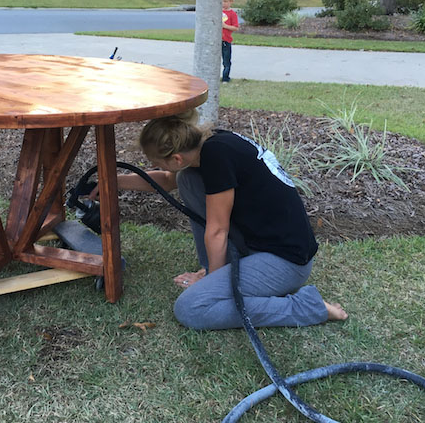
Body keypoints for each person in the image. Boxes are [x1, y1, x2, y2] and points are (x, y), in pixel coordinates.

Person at [107, 109, 347, 330]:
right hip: (262, 245)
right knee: (186, 180)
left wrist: (211, 282)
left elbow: (217, 231)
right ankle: (215, 270)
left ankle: (308, 307)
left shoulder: (217, 159)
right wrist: (110, 182)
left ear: (177, 158)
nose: (155, 167)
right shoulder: (214, 144)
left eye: (157, 163)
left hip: (286, 263)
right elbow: (168, 181)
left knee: (191, 308)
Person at [221, 0, 239, 83]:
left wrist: (225, 26)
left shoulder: (232, 14)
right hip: (216, 40)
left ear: (231, 1)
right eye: (222, 1)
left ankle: (225, 78)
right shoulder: (217, 11)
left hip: (226, 41)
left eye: (225, 1)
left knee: (226, 61)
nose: (223, 3)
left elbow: (235, 27)